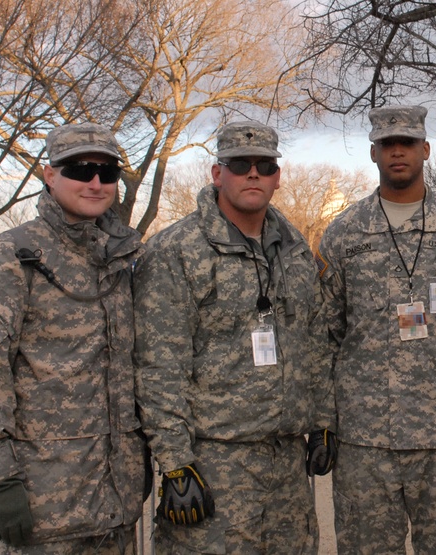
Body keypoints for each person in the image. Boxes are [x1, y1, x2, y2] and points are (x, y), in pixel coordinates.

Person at [0, 123, 148, 551]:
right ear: (49, 175)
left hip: (112, 511)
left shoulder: (121, 259)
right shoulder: (11, 256)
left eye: (107, 173)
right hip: (36, 513)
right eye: (79, 169)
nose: (95, 182)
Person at [133, 121, 334, 554]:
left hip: (285, 464)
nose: (254, 174)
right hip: (213, 462)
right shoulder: (177, 249)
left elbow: (313, 340)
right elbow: (159, 365)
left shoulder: (294, 247)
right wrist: (175, 464)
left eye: (265, 165)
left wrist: (322, 421)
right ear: (217, 173)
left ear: (278, 177)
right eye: (241, 164)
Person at [316, 105, 436, 554]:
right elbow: (325, 331)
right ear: (373, 153)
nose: (397, 152)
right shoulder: (344, 234)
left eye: (406, 143)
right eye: (387, 145)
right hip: (365, 442)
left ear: (425, 149)